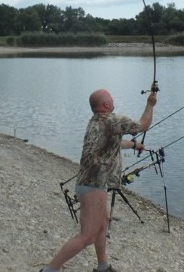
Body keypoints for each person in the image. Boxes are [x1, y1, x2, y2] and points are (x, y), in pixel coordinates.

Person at [41, 88, 157, 272]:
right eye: (111, 98)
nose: (113, 99)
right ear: (106, 104)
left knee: (102, 225)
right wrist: (150, 104)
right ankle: (50, 269)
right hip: (93, 185)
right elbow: (142, 125)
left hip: (87, 183)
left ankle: (103, 266)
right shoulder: (113, 120)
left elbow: (115, 143)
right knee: (87, 236)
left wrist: (134, 144)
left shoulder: (96, 122)